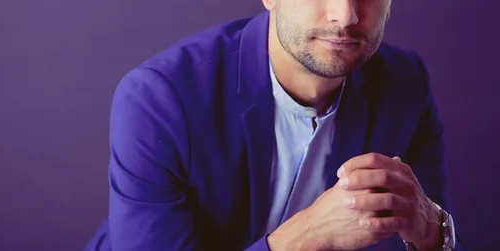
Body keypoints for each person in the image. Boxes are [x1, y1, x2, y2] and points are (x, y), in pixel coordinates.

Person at [85, 0, 463, 250]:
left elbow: (437, 235)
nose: (345, 15)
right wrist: (308, 236)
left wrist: (431, 229)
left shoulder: (406, 83)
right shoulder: (160, 96)